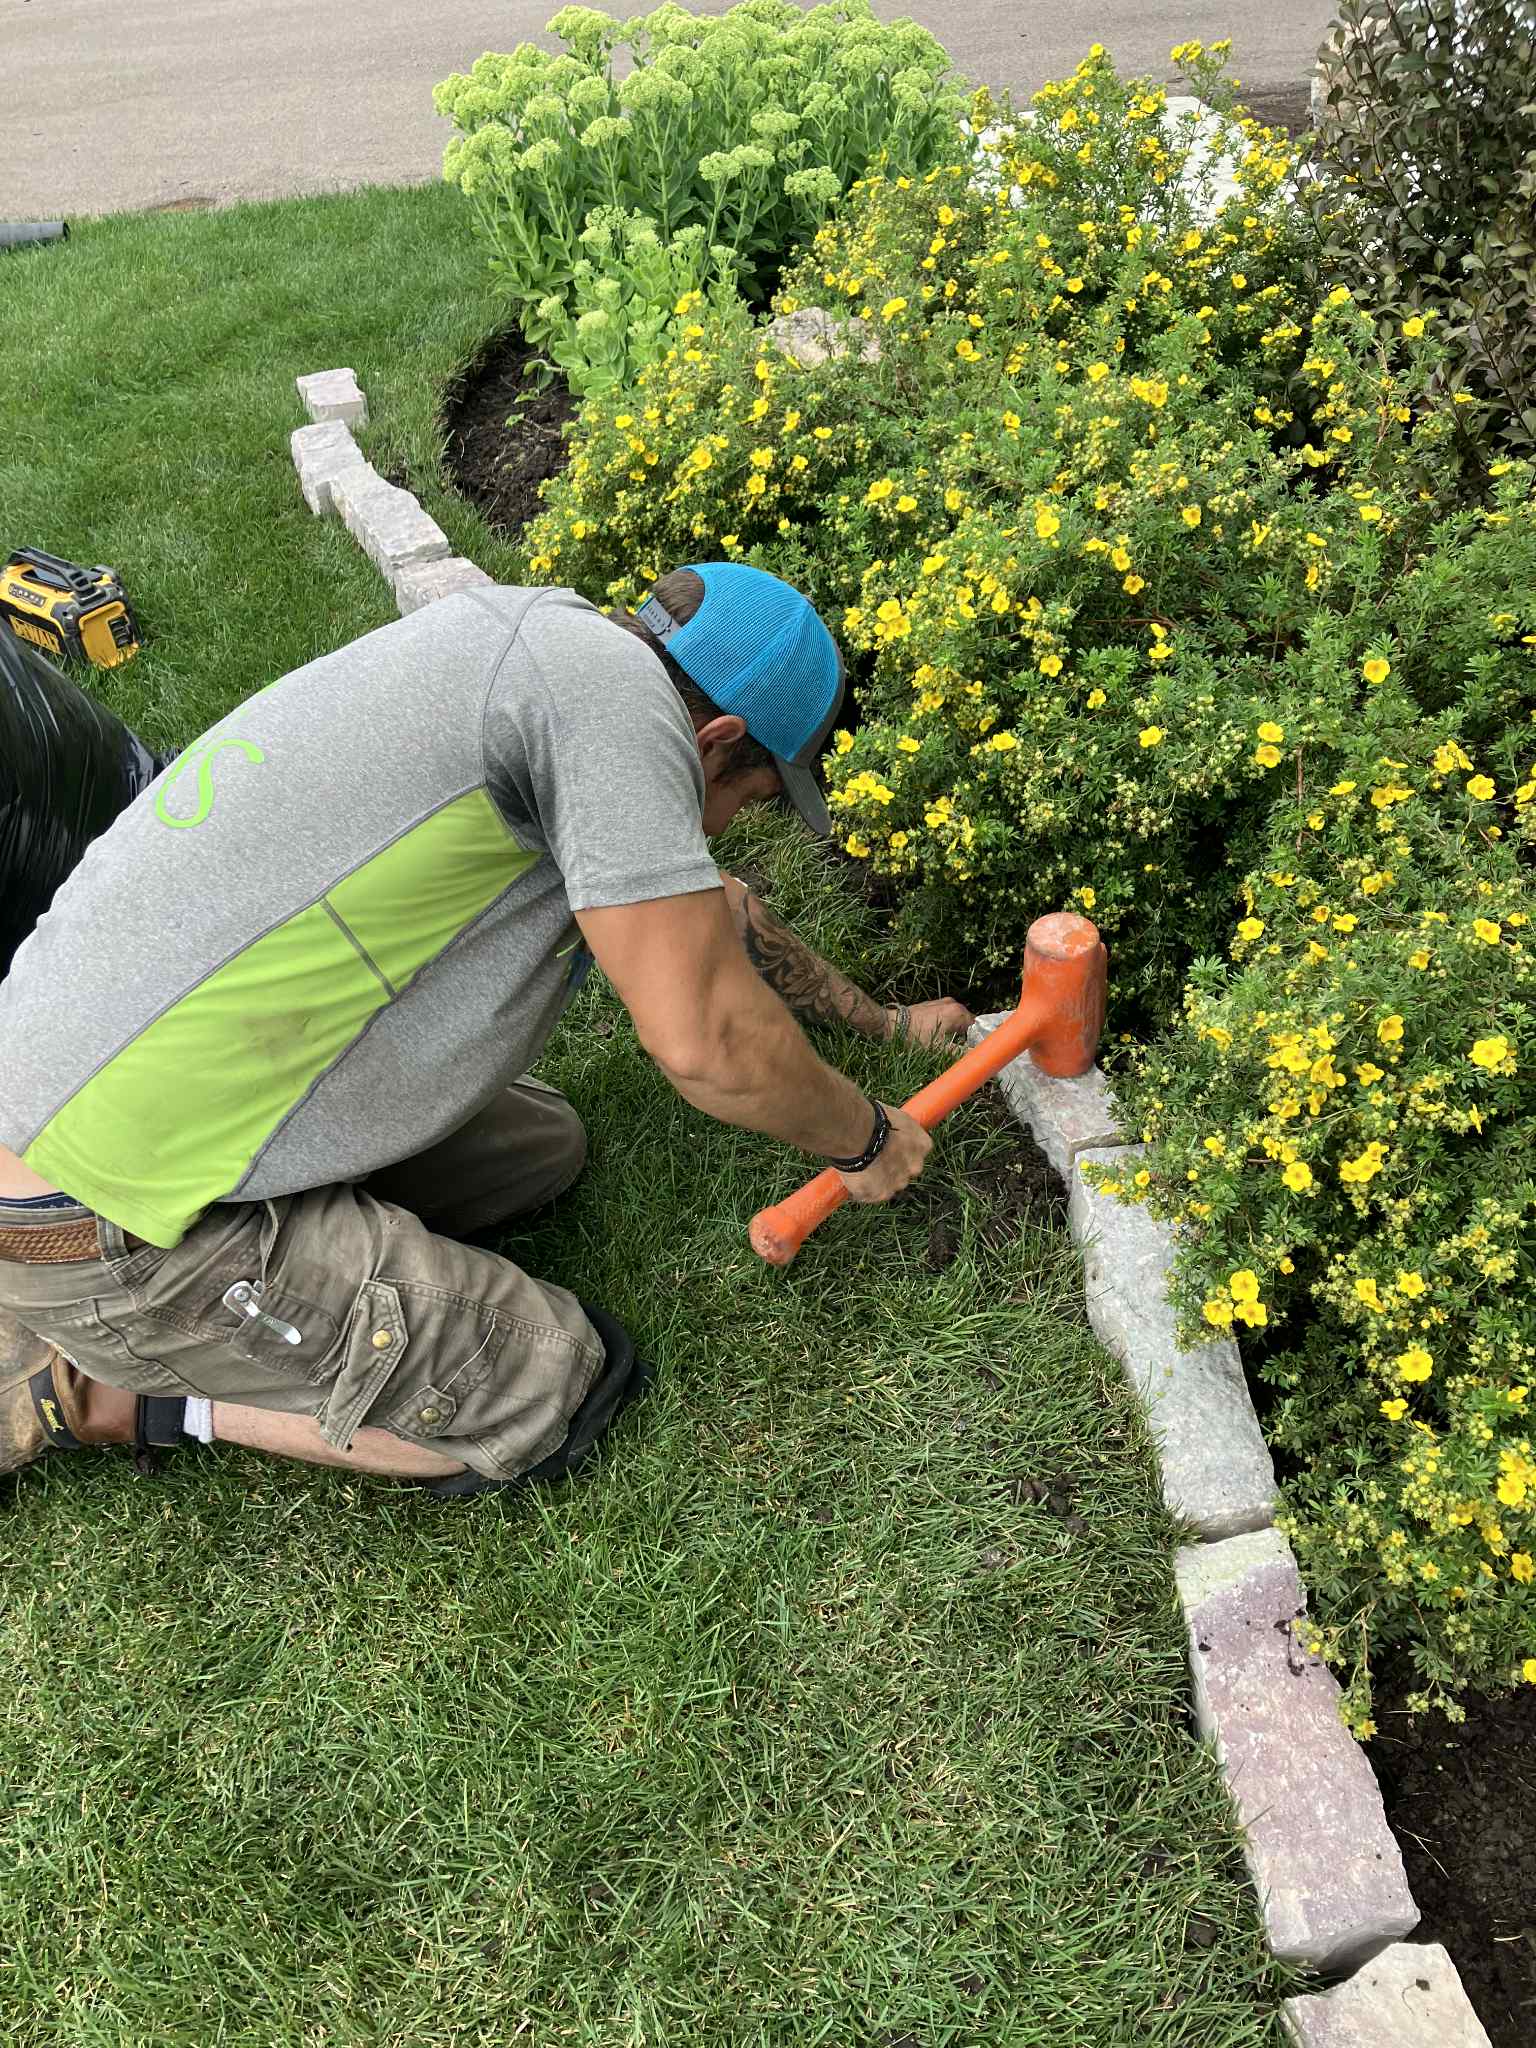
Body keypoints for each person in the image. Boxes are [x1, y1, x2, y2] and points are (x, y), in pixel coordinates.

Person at [0, 565, 972, 1497]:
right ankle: (98, 1392)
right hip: (91, 1214)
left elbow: (707, 905)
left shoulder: (541, 652)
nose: (719, 830)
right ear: (717, 740)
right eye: (745, 801)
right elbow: (707, 1042)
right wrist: (864, 1138)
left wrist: (883, 1023)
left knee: (539, 1150)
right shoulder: (620, 714)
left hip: (88, 1074)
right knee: (549, 1386)